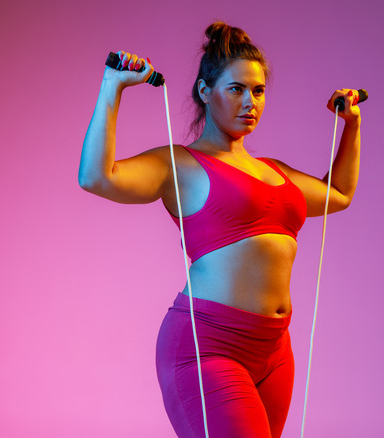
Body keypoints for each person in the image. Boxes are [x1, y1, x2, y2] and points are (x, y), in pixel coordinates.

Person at [78, 22, 361, 438]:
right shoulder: (181, 164)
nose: (250, 102)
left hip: (275, 351)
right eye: (236, 89)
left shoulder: (276, 171)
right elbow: (96, 178)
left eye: (259, 91)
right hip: (207, 347)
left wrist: (351, 124)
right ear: (204, 91)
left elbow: (338, 194)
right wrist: (112, 88)